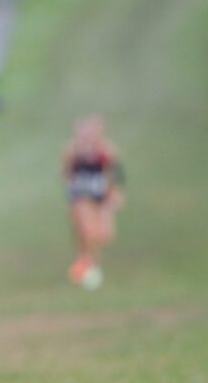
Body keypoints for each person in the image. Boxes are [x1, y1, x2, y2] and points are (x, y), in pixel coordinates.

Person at [62, 115, 124, 290]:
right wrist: (71, 194)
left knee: (104, 235)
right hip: (81, 196)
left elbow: (116, 173)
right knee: (87, 231)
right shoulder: (72, 151)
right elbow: (66, 173)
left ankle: (87, 259)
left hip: (101, 195)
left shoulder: (106, 151)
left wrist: (115, 193)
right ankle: (87, 263)